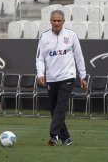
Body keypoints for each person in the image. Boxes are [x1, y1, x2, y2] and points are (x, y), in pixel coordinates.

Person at [36, 10, 87, 146]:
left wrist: (83, 76)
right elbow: (40, 58)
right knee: (54, 109)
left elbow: (79, 57)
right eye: (54, 20)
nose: (56, 23)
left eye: (59, 20)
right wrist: (40, 74)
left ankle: (54, 136)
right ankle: (66, 138)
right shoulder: (44, 37)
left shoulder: (71, 35)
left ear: (63, 21)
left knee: (60, 106)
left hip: (68, 76)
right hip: (51, 79)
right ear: (50, 21)